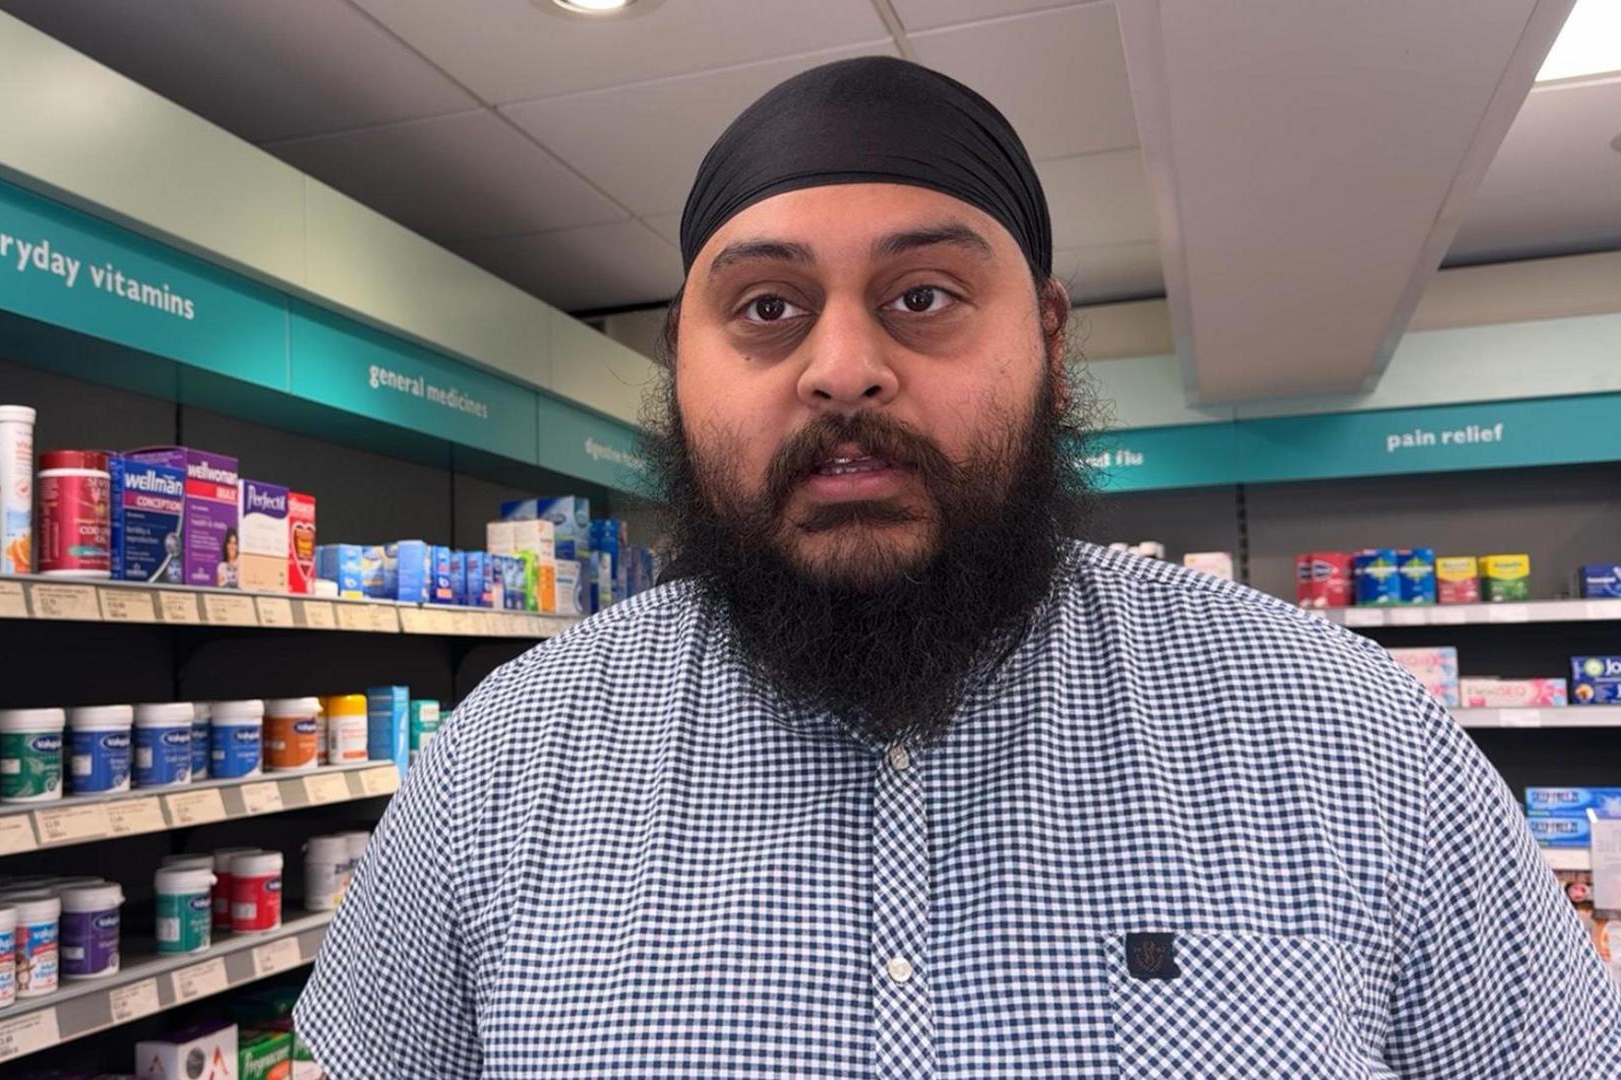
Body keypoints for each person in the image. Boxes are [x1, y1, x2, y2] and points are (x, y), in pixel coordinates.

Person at [296, 56, 1621, 1077]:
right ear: (679, 366)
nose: (842, 364)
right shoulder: (501, 766)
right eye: (766, 308)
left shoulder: (1351, 739)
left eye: (923, 295)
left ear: (1048, 337)